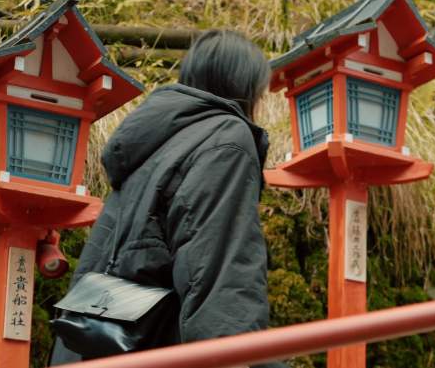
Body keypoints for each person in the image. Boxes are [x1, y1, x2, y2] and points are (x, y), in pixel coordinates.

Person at [51, 29, 285, 368]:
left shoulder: (154, 142)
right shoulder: (227, 139)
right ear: (245, 88)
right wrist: (231, 357)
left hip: (96, 343)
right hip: (156, 344)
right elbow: (218, 264)